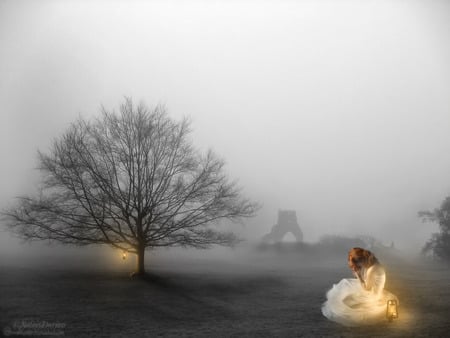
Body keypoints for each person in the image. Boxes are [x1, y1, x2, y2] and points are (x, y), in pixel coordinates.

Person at [321, 247, 399, 326]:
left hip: (373, 294)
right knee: (347, 295)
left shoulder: (371, 269)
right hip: (376, 290)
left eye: (358, 264)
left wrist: (358, 276)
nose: (359, 266)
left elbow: (367, 289)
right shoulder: (375, 262)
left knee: (345, 302)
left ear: (361, 261)